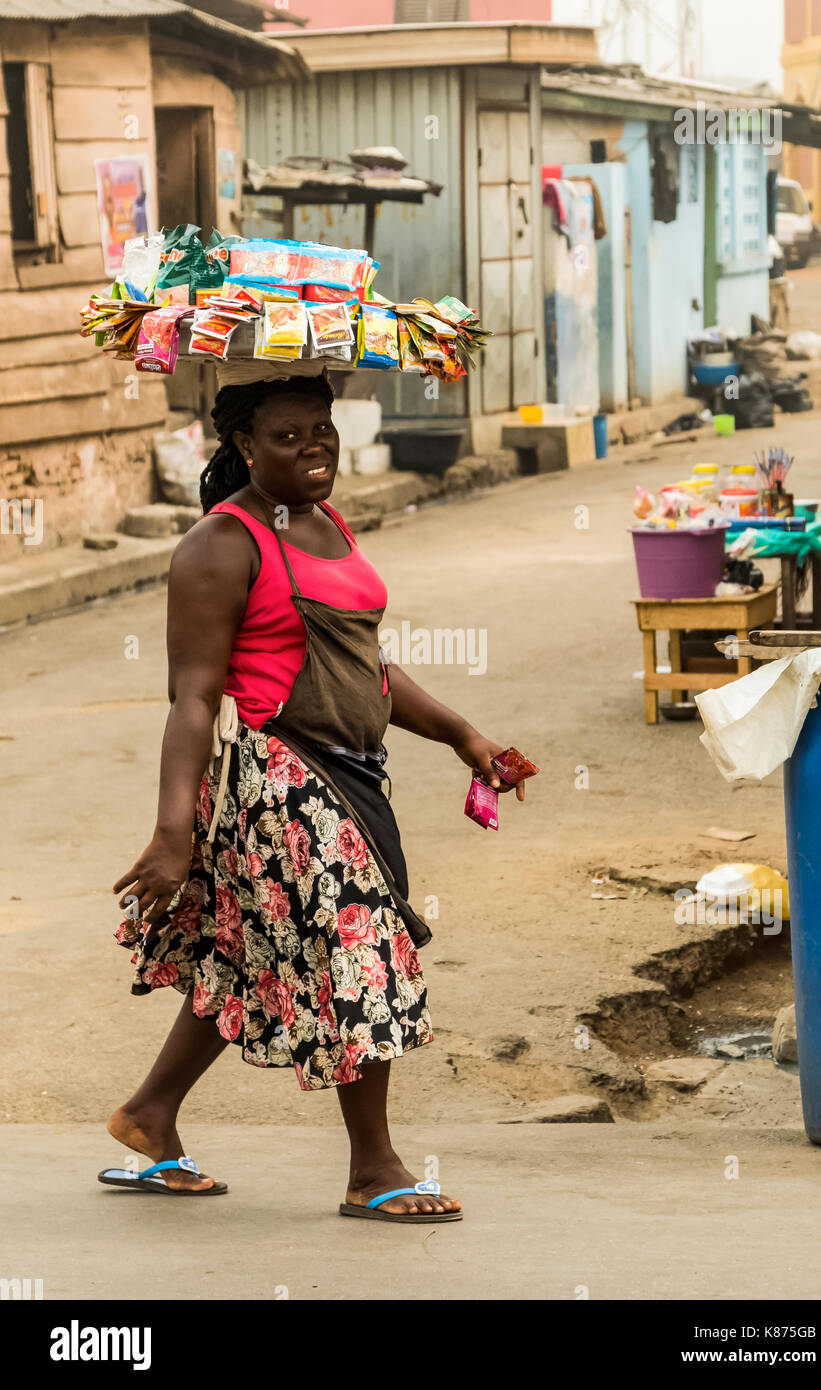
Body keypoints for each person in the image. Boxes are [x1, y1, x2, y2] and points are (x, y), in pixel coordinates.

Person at [100, 369, 529, 1223]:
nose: (312, 448)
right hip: (281, 782)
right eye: (287, 437)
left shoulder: (326, 523)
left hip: (352, 770)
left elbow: (365, 665)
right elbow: (192, 697)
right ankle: (374, 1169)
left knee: (246, 956)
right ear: (245, 447)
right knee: (364, 946)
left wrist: (464, 738)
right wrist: (172, 829)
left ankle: (149, 1116)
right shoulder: (220, 546)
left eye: (321, 430)